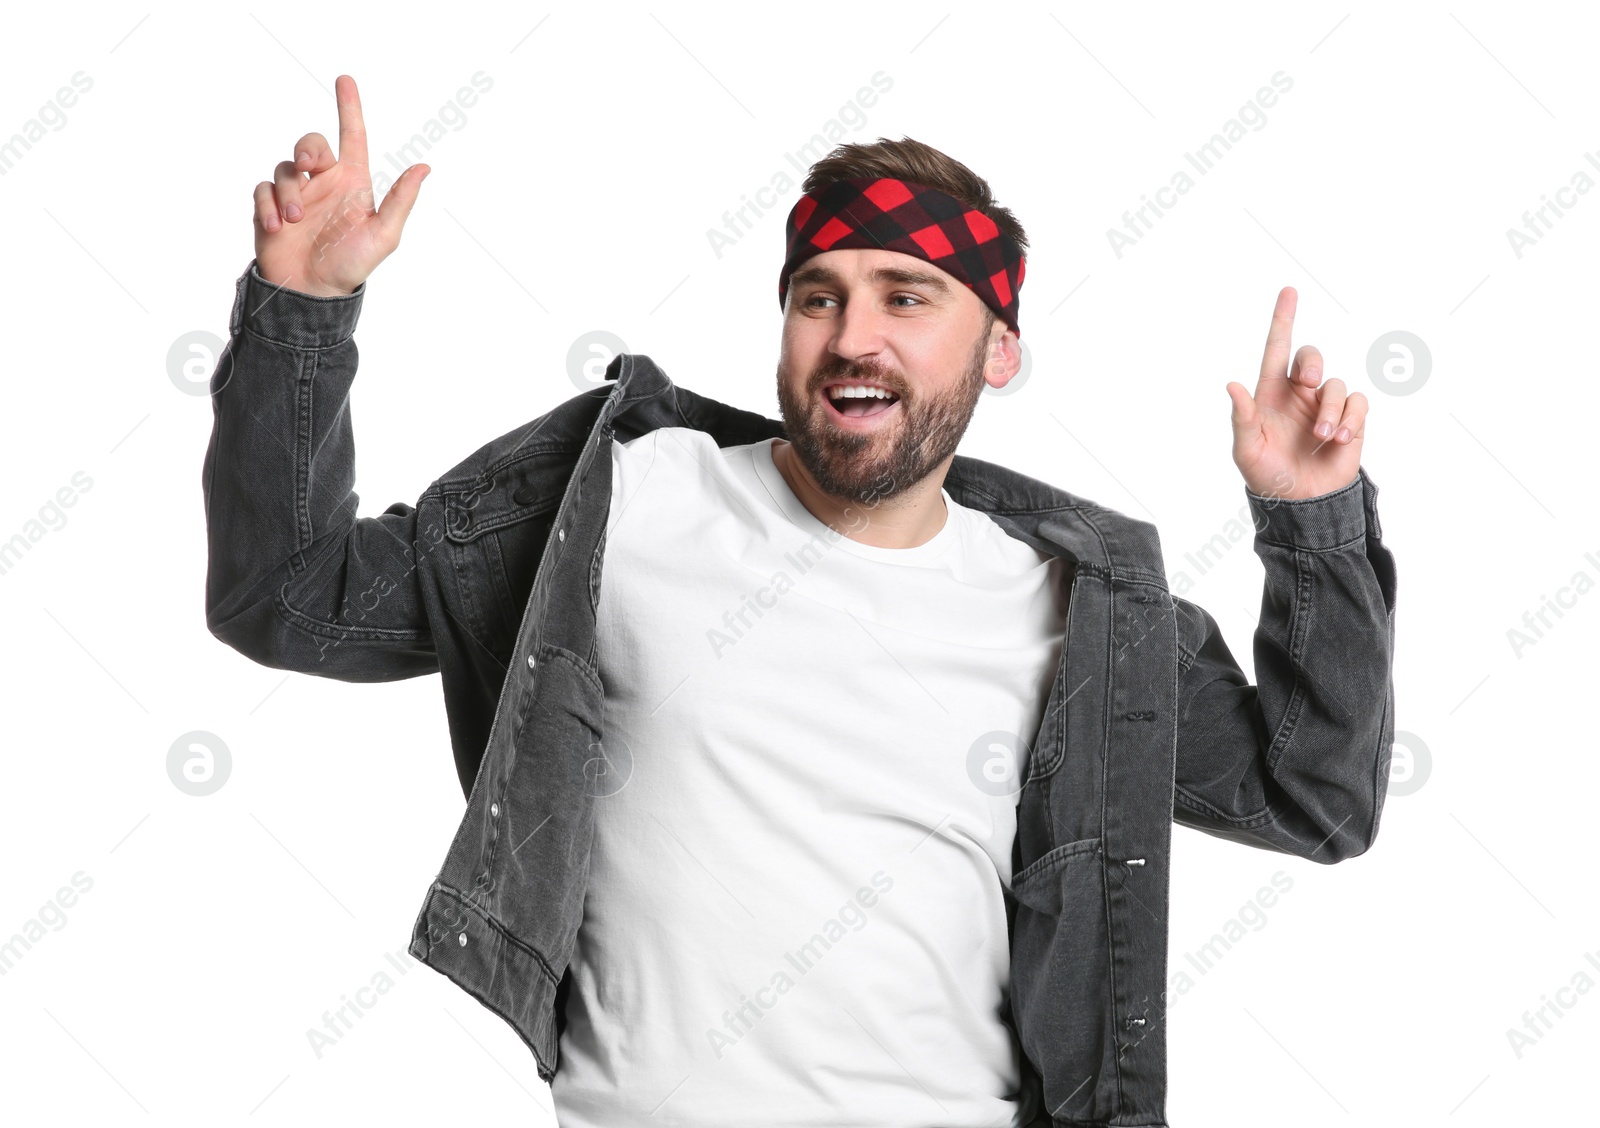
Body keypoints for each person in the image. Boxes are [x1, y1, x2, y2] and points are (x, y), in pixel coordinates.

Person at [205, 74, 1397, 1127]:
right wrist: (302, 309)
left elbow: (1315, 800)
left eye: (906, 297)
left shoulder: (1075, 607)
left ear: (997, 350)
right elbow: (292, 601)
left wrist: (1310, 524)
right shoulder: (622, 501)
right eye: (818, 296)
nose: (851, 338)